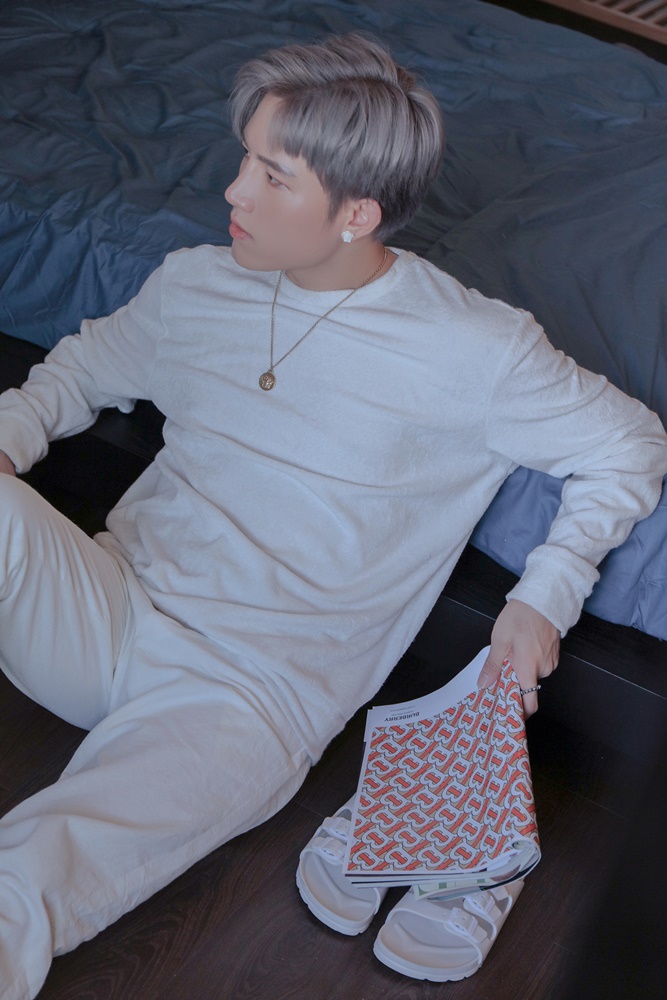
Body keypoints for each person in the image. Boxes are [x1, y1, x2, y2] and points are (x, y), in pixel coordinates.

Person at [0, 31, 665, 998]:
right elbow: (81, 368)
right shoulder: (195, 283)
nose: (234, 191)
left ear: (358, 213)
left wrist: (541, 597)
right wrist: (12, 434)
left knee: (29, 880)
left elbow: (628, 444)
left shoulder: (472, 350)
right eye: (244, 158)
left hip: (246, 698)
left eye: (273, 177)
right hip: (105, 606)